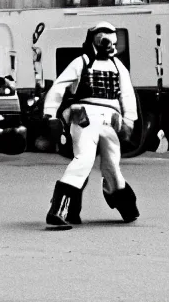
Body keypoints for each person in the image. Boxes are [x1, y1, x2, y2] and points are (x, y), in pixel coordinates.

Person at [42, 21, 140, 230]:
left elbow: (128, 94)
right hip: (85, 117)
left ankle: (124, 205)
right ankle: (60, 210)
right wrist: (50, 114)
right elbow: (59, 87)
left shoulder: (117, 66)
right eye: (104, 40)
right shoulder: (82, 62)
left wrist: (129, 120)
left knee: (112, 165)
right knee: (83, 160)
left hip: (111, 120)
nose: (108, 45)